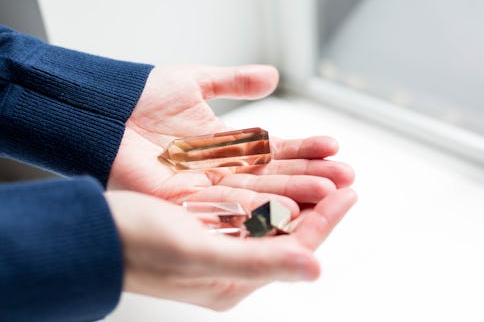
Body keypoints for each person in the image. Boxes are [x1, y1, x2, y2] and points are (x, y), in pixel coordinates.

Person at [0, 25, 357, 321]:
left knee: (283, 205)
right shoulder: (178, 161)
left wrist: (114, 101)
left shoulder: (181, 154)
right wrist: (97, 239)